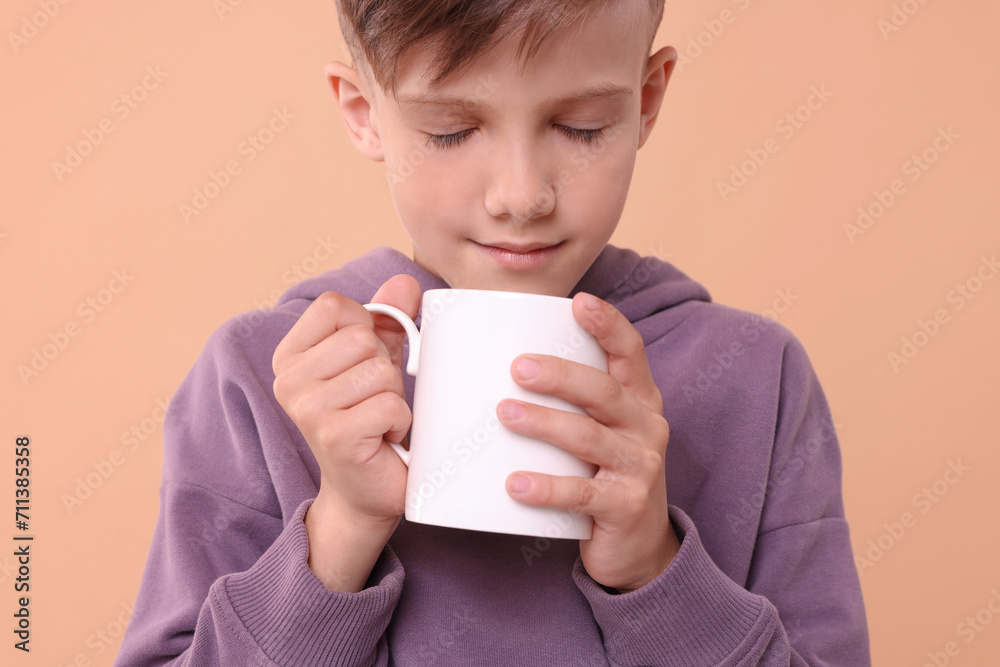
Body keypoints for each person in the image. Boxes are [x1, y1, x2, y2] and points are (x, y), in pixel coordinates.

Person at [115, 0, 870, 664]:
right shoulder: (266, 378)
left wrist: (656, 569)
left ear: (645, 101)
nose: (522, 195)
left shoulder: (756, 378)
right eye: (450, 131)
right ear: (363, 111)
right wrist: (341, 529)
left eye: (581, 127)